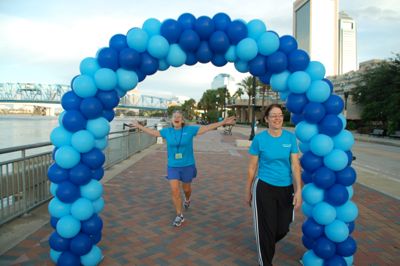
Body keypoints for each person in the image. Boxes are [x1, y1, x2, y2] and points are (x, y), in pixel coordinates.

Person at [130, 111, 236, 227]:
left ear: (182, 120)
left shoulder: (189, 130)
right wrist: (139, 126)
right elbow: (153, 133)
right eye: (174, 116)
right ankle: (179, 215)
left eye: (179, 117)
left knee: (186, 189)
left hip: (187, 165)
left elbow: (206, 128)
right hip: (173, 166)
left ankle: (187, 199)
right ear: (171, 120)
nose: (176, 118)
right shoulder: (167, 132)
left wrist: (223, 122)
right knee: (175, 191)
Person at [245, 104, 302, 266]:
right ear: (266, 119)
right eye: (273, 115)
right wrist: (247, 191)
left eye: (280, 115)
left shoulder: (290, 138)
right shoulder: (260, 139)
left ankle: (266, 243)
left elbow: (295, 165)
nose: (277, 118)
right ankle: (265, 261)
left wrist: (299, 191)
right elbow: (252, 168)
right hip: (264, 187)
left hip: (286, 188)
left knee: (283, 227)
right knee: (267, 226)